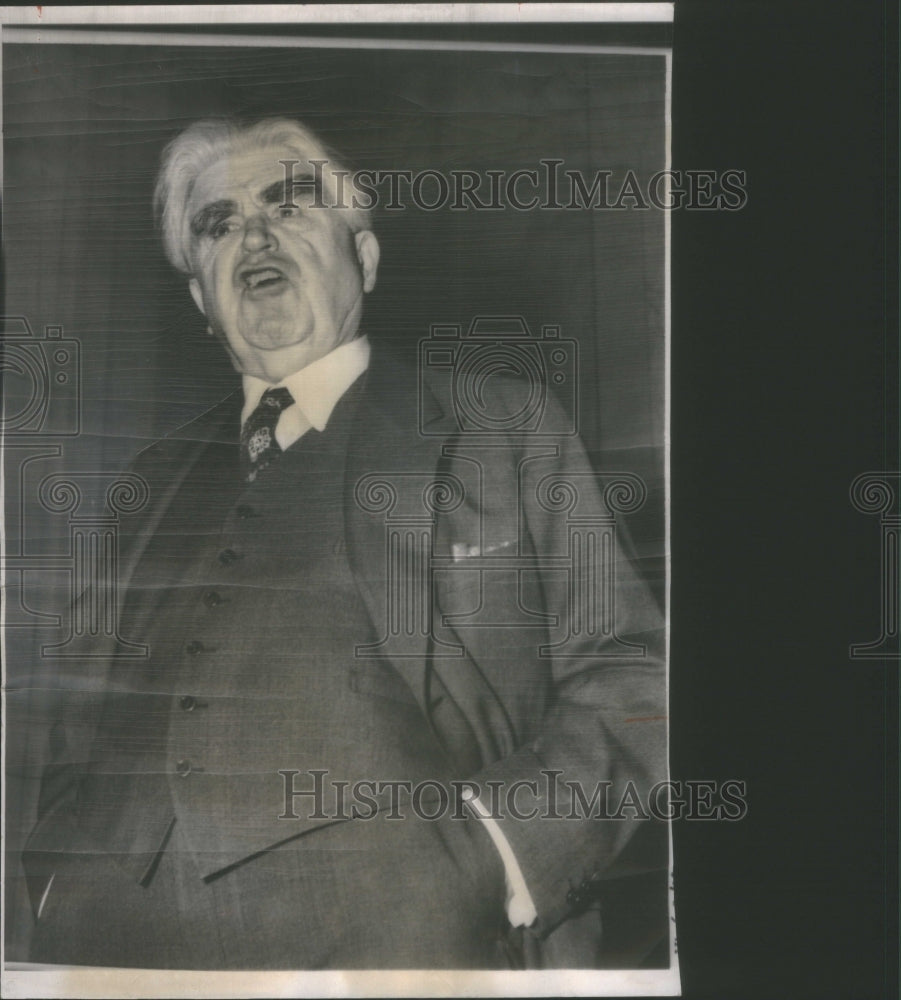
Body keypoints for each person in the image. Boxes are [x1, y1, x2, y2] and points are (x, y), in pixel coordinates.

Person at [22, 117, 668, 970]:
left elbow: (631, 678)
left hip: (404, 938)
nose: (253, 233)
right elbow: (71, 720)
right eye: (217, 224)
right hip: (113, 947)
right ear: (200, 300)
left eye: (289, 204)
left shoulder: (502, 428)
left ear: (362, 258)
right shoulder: (149, 482)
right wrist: (54, 887)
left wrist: (498, 853)